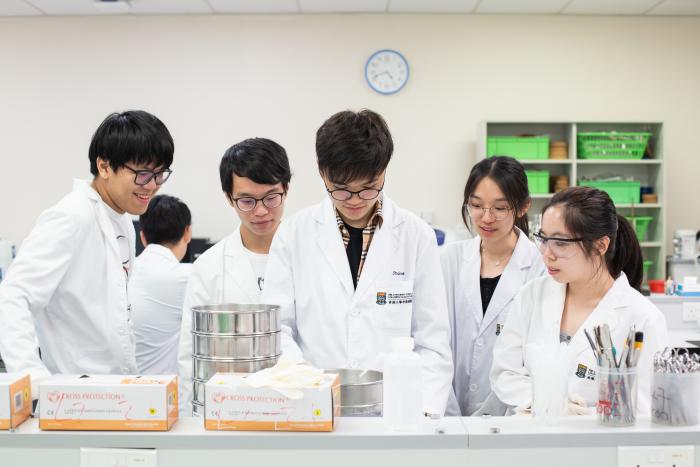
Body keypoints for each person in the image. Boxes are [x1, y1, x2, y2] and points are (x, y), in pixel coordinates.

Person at [262, 109, 453, 415]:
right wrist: (306, 387)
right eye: (341, 188)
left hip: (396, 411)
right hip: (314, 407)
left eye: (368, 187)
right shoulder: (294, 234)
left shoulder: (415, 236)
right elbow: (277, 329)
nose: (355, 199)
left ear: (385, 171)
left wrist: (424, 411)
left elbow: (432, 341)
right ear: (322, 171)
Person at [0, 110, 174, 395]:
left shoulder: (122, 221)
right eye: (143, 174)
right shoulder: (72, 216)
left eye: (159, 174)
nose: (152, 186)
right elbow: (13, 296)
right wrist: (32, 381)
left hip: (116, 390)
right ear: (104, 166)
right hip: (74, 393)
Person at [490, 186, 668, 415]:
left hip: (598, 445)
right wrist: (542, 401)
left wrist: (586, 416)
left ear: (601, 245)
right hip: (529, 435)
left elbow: (646, 410)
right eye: (543, 238)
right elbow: (504, 372)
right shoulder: (532, 295)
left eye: (561, 243)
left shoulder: (643, 318)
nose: (547, 253)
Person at [177, 137, 291, 413]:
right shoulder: (209, 266)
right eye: (247, 201)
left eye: (271, 197)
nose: (261, 210)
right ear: (229, 198)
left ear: (286, 189)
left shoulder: (309, 255)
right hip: (232, 409)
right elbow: (190, 355)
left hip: (299, 407)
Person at [441, 156, 544, 416]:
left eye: (499, 208)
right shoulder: (449, 260)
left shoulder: (539, 267)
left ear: (522, 207)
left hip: (514, 412)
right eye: (476, 205)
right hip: (449, 409)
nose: (486, 218)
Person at [130, 194, 193, 375]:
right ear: (187, 233)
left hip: (118, 391)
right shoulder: (187, 277)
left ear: (142, 237)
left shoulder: (122, 273)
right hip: (160, 394)